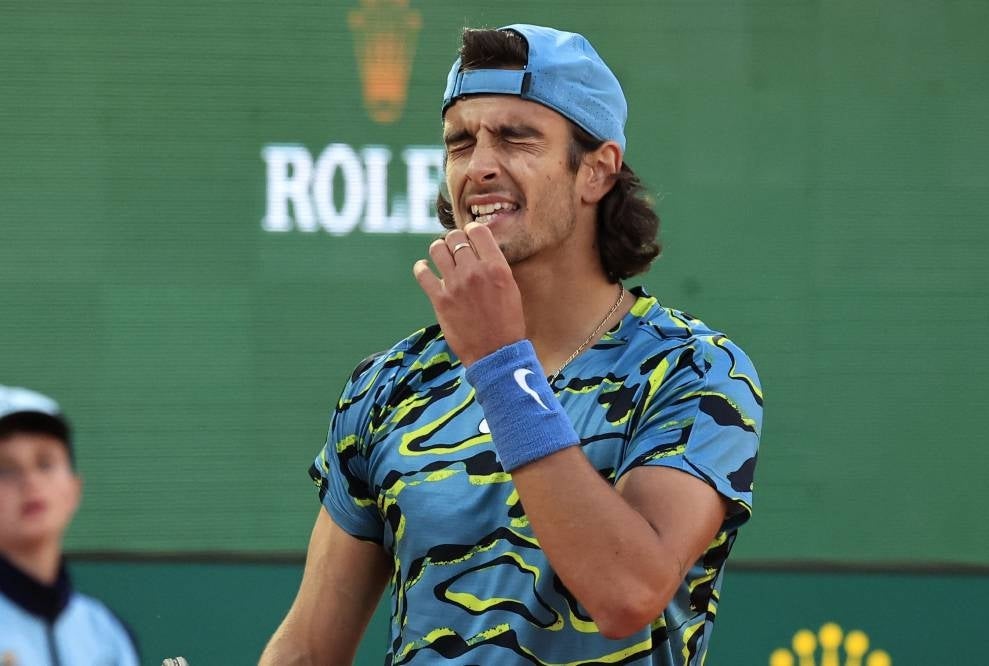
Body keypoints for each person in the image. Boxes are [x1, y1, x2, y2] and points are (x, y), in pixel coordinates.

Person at [261, 23, 762, 666]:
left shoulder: (693, 369)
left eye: (516, 138)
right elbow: (308, 649)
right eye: (460, 143)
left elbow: (627, 595)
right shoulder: (388, 385)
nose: (479, 167)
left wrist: (500, 365)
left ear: (597, 171)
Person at [0, 385, 140, 665]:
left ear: (74, 489)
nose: (30, 481)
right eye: (5, 469)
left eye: (45, 463)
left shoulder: (107, 635)